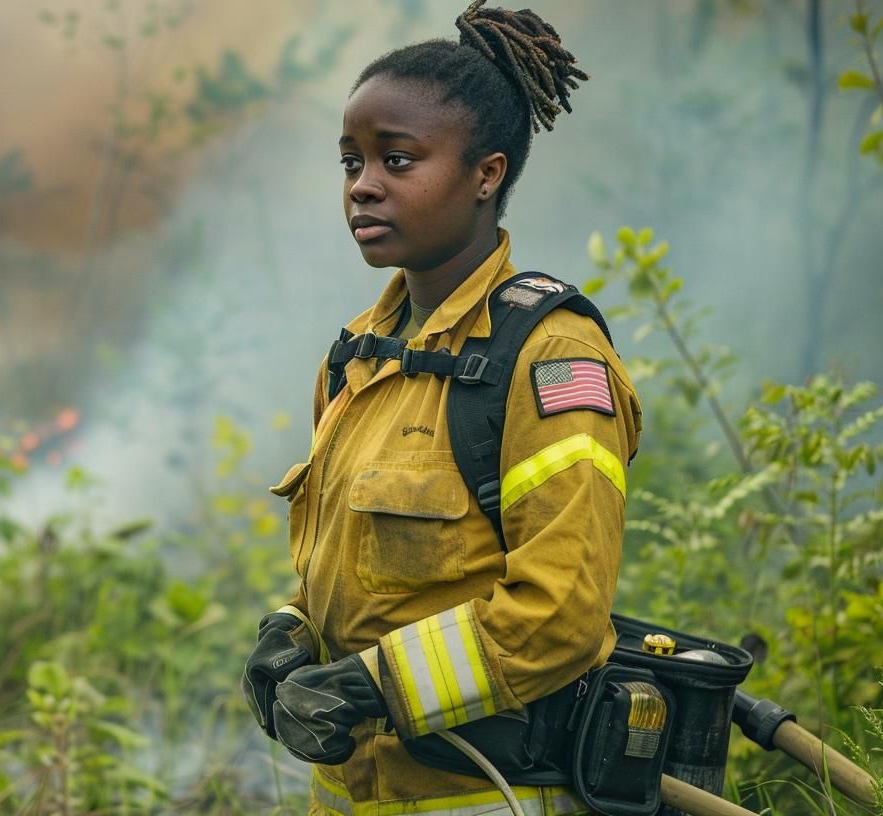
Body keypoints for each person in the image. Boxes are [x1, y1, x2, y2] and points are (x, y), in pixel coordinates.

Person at [240, 3, 643, 814]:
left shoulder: (551, 359)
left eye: (398, 159)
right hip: (348, 797)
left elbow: (559, 612)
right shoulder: (360, 354)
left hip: (484, 797)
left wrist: (370, 686)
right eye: (351, 160)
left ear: (486, 174)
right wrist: (289, 633)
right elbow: (357, 575)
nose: (363, 185)